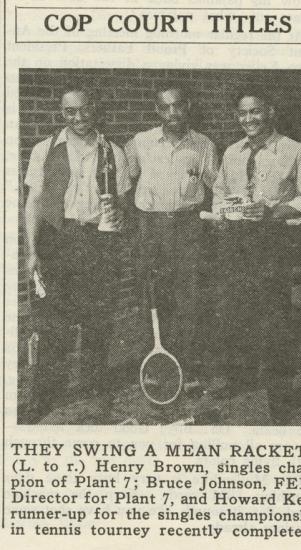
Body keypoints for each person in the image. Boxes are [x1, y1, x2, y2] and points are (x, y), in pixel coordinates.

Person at [24, 85, 131, 419]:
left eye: (84, 109)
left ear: (94, 108)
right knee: (53, 322)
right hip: (57, 239)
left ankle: (95, 385)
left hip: (98, 241)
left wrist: (119, 215)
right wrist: (32, 250)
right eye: (70, 111)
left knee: (98, 319)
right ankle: (45, 395)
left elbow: (123, 203)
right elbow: (34, 202)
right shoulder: (46, 149)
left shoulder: (113, 151)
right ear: (61, 113)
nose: (78, 117)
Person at [212, 87, 301, 424]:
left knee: (275, 318)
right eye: (242, 113)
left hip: (273, 242)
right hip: (236, 243)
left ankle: (280, 396)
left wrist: (273, 212)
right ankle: (239, 383)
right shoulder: (231, 153)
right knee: (236, 312)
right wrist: (222, 216)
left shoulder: (294, 150)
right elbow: (220, 192)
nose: (248, 119)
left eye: (254, 112)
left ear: (270, 111)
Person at [125, 83, 219, 375]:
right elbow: (123, 186)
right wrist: (135, 224)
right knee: (151, 296)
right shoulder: (140, 142)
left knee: (188, 297)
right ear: (157, 110)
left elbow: (219, 187)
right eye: (165, 107)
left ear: (187, 106)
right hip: (150, 227)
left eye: (177, 105)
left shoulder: (204, 145)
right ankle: (153, 365)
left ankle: (186, 365)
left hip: (189, 227)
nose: (172, 113)